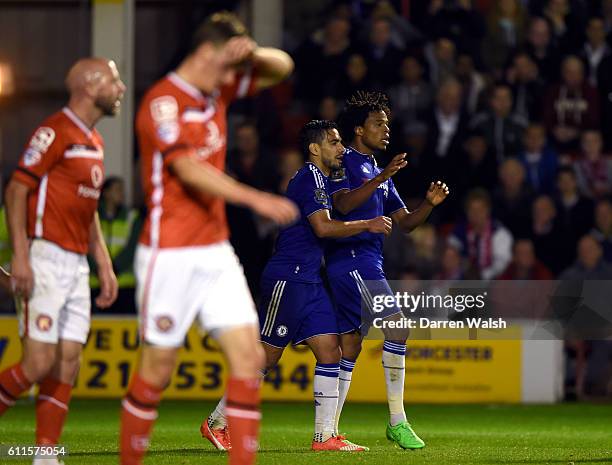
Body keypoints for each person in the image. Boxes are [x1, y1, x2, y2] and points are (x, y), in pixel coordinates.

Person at [119, 12, 298, 465]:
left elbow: (282, 68)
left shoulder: (216, 87)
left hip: (215, 251)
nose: (233, 78)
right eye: (228, 65)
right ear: (205, 53)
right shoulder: (162, 101)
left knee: (248, 357)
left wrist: (252, 53)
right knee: (156, 372)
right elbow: (187, 169)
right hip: (169, 252)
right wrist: (254, 198)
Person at [202, 120, 392, 453]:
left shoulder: (320, 180)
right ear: (314, 149)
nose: (340, 149)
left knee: (330, 349)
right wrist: (368, 223)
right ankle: (217, 421)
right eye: (333, 143)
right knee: (267, 357)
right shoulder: (309, 179)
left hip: (309, 280)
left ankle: (325, 437)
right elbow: (322, 228)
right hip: (287, 277)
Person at [0, 57, 125, 465]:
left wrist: (103, 265)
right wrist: (22, 255)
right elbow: (17, 190)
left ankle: (45, 456)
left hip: (76, 267)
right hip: (46, 257)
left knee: (68, 363)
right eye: (114, 80)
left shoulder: (94, 140)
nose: (121, 88)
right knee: (37, 364)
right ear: (90, 85)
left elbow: (86, 212)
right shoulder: (55, 130)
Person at [328, 91, 449, 449]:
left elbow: (407, 223)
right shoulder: (342, 160)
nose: (386, 130)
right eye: (378, 123)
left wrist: (428, 204)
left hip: (367, 262)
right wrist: (381, 178)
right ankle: (397, 420)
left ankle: (329, 431)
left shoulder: (380, 172)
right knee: (398, 327)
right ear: (358, 129)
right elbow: (343, 204)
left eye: (387, 125)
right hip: (351, 261)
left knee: (350, 346)